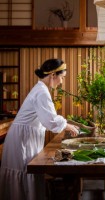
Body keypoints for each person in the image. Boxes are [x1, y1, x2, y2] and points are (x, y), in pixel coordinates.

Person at [0, 58, 79, 200]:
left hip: (24, 136)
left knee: (28, 172)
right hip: (22, 139)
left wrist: (65, 124)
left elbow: (47, 119)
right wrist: (68, 125)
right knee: (24, 172)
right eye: (62, 77)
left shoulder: (41, 89)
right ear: (53, 75)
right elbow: (50, 120)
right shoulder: (42, 92)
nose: (61, 81)